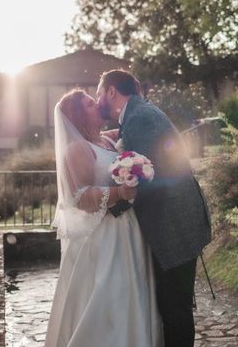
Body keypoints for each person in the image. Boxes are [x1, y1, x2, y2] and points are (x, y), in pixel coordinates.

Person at [95, 69, 212, 347]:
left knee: (175, 308)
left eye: (99, 93)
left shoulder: (140, 118)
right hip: (174, 221)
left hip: (175, 225)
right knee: (173, 305)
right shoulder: (136, 115)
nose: (98, 98)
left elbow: (149, 177)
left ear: (112, 91)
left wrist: (109, 205)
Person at [44, 89, 164, 347]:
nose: (97, 105)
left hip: (128, 229)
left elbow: (130, 124)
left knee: (134, 292)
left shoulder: (107, 141)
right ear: (78, 115)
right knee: (112, 295)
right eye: (89, 104)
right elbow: (79, 197)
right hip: (105, 236)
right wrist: (120, 191)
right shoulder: (78, 149)